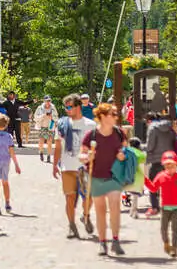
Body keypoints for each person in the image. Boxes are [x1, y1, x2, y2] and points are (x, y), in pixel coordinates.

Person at [81, 103, 128, 256]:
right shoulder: (91, 136)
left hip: (113, 176)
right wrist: (87, 157)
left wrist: (122, 154)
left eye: (115, 114)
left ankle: (115, 240)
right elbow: (81, 156)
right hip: (96, 177)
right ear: (102, 116)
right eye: (112, 114)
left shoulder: (119, 133)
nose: (115, 117)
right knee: (100, 211)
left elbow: (125, 149)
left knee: (115, 205)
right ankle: (102, 242)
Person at [53, 93, 95, 239]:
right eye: (66, 107)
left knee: (88, 198)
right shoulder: (62, 124)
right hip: (67, 167)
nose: (67, 109)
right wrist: (54, 165)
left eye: (70, 106)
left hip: (85, 167)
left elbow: (96, 147)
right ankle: (71, 225)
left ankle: (86, 216)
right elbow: (58, 145)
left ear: (78, 106)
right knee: (69, 198)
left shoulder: (91, 125)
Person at [144, 150, 177, 258]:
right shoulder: (161, 176)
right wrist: (145, 180)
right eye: (167, 166)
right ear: (164, 166)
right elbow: (153, 188)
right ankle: (166, 243)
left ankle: (174, 249)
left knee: (175, 229)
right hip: (165, 207)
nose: (169, 168)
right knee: (163, 229)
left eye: (172, 166)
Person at [144, 110, 177, 216]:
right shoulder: (169, 127)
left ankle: (155, 207)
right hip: (169, 159)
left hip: (156, 160)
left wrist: (143, 148)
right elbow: (175, 140)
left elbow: (150, 146)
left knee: (153, 185)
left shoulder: (152, 128)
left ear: (149, 121)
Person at [33, 95, 58, 163]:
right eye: (47, 100)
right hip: (42, 126)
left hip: (50, 126)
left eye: (49, 100)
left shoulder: (53, 108)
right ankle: (41, 152)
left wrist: (51, 116)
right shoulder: (40, 108)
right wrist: (43, 115)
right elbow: (35, 117)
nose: (48, 102)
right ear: (44, 101)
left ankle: (49, 156)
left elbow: (56, 117)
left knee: (49, 142)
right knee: (41, 141)